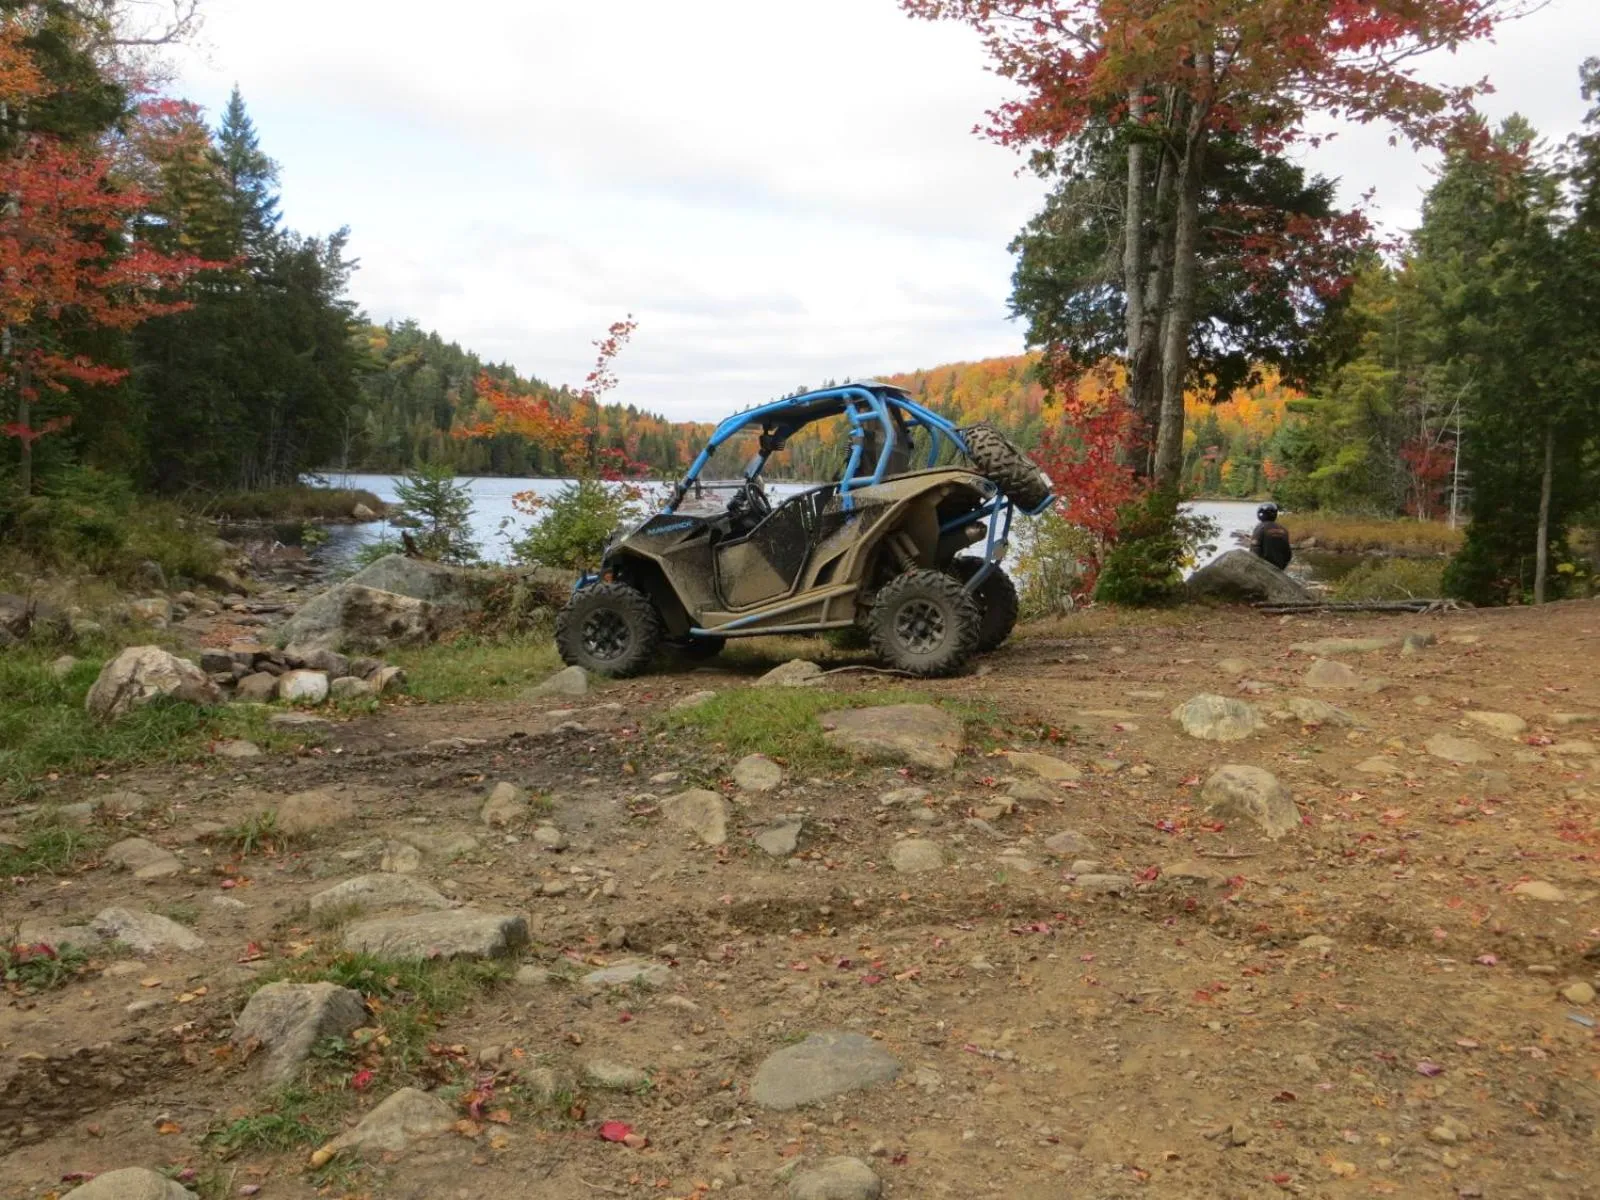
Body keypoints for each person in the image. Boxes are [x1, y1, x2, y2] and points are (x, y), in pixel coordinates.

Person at [1250, 503, 1293, 570]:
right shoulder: (1283, 530)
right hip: (1279, 568)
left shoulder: (1260, 528)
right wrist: (1282, 568)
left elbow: (1254, 549)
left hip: (1263, 568)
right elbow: (1288, 554)